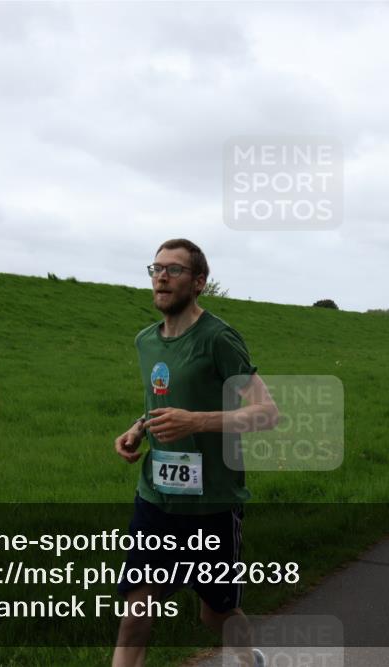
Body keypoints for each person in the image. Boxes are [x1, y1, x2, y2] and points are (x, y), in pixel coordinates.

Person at [112, 239, 279, 667]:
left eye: (174, 270)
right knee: (136, 611)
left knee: (215, 612)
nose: (162, 277)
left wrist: (196, 422)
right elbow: (162, 402)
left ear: (199, 282)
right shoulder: (145, 341)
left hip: (212, 506)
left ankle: (248, 659)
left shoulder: (219, 339)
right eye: (156, 269)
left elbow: (266, 413)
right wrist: (138, 428)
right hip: (156, 499)